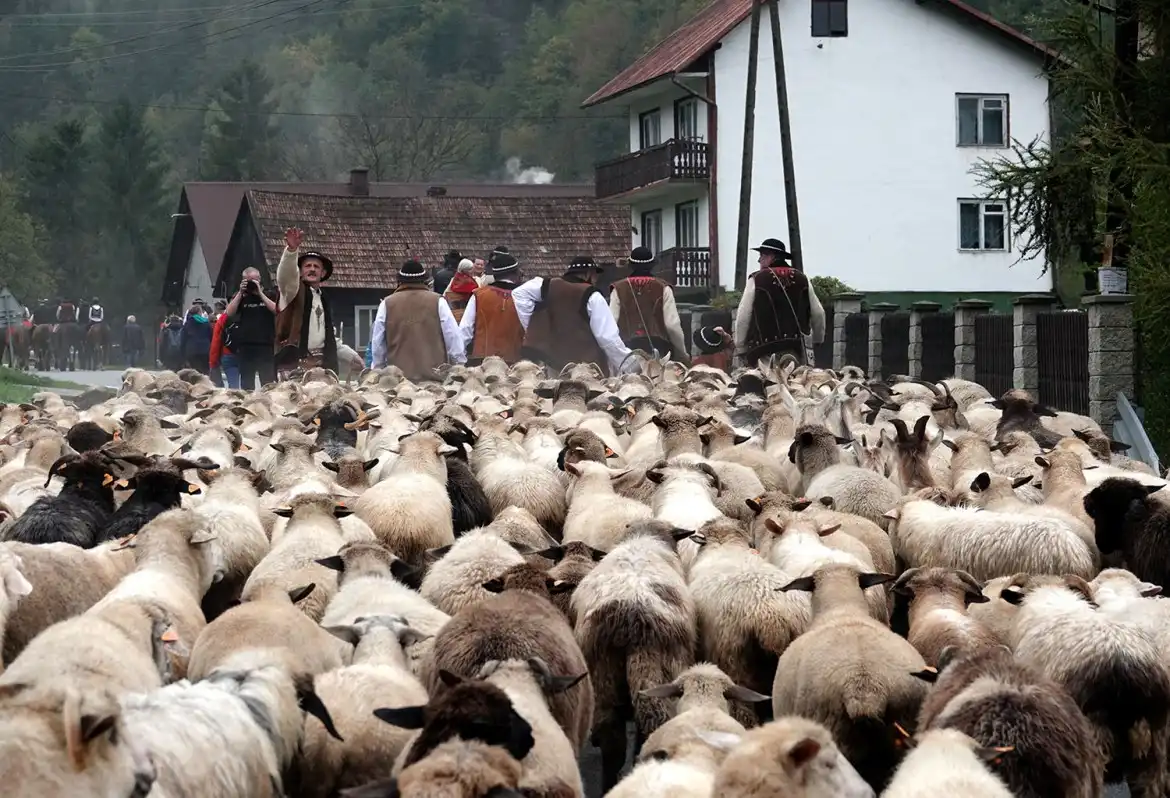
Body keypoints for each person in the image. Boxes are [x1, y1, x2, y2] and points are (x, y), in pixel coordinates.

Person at [513, 255, 636, 376]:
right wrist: (630, 365)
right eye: (595, 275)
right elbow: (608, 339)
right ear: (588, 274)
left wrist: (535, 328)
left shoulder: (547, 286)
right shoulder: (592, 296)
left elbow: (519, 294)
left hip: (555, 364)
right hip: (588, 371)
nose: (596, 279)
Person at [734, 238, 826, 366]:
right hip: (797, 349)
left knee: (768, 383)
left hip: (765, 351)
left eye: (762, 255)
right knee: (797, 383)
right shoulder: (802, 279)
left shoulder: (757, 279)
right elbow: (818, 313)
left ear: (772, 256)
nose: (759, 260)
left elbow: (743, 317)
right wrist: (817, 340)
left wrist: (740, 347)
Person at [371, 259, 466, 380]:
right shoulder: (438, 301)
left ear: (400, 281)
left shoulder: (387, 304)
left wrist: (378, 368)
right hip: (434, 381)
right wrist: (459, 365)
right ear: (424, 279)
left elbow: (378, 343)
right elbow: (452, 336)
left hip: (397, 383)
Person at [274, 227, 339, 377]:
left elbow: (328, 336)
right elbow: (285, 276)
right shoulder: (292, 292)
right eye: (307, 266)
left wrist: (351, 356)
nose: (312, 269)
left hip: (321, 368)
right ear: (300, 271)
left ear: (322, 273)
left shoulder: (324, 298)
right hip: (294, 367)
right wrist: (291, 251)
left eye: (316, 267)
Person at [608, 246, 689, 364]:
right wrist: (682, 353)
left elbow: (611, 324)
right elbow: (672, 325)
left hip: (627, 350)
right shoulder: (663, 288)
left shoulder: (618, 289)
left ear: (631, 265)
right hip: (659, 350)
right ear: (652, 265)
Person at [459, 247, 524, 364]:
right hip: (515, 365)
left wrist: (460, 359)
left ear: (494, 274)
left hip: (482, 363)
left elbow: (465, 330)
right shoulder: (524, 297)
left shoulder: (479, 295)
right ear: (516, 273)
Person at [225, 266, 277, 389]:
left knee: (268, 384)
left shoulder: (270, 294)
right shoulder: (240, 297)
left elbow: (277, 310)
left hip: (266, 344)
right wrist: (240, 293)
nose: (252, 283)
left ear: (259, 279)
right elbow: (229, 313)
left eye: (254, 280)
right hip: (245, 346)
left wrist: (260, 293)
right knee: (246, 384)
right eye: (248, 280)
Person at [179, 299, 213, 374]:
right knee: (205, 372)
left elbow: (183, 339)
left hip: (192, 351)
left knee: (195, 372)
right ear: (200, 313)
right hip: (205, 350)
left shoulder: (188, 323)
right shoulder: (206, 323)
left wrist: (182, 354)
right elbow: (211, 337)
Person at [209, 309, 238, 388]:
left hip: (228, 354)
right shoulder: (249, 315)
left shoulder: (224, 318)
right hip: (248, 355)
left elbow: (216, 341)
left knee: (234, 388)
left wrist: (213, 362)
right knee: (248, 387)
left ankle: (235, 398)